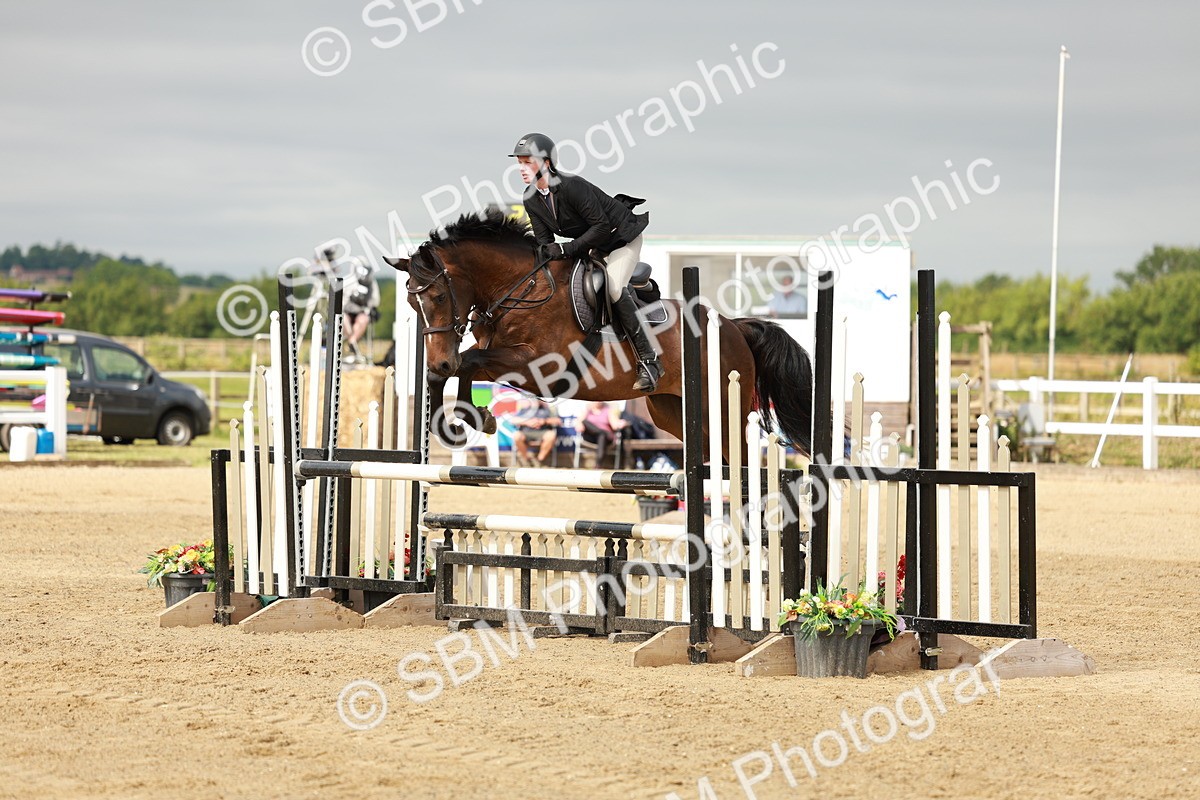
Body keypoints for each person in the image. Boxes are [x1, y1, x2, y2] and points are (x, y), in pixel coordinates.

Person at [509, 132, 662, 393]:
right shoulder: (531, 198)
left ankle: (649, 361)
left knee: (613, 288)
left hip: (620, 239)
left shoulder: (572, 186)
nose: (522, 168)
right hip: (592, 244)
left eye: (527, 162)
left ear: (545, 163)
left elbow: (601, 226)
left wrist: (567, 248)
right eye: (519, 163)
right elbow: (544, 242)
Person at [341, 257, 380, 364]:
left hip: (362, 312)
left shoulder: (372, 284)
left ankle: (351, 342)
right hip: (346, 312)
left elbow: (375, 300)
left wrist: (366, 309)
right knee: (343, 319)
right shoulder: (347, 282)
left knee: (363, 319)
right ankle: (351, 344)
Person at [512, 399, 562, 467]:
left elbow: (558, 421)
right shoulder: (525, 409)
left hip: (542, 432)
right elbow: (513, 420)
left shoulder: (547, 409)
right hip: (526, 432)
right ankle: (527, 460)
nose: (536, 400)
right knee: (517, 436)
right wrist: (527, 422)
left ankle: (539, 460)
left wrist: (544, 421)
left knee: (551, 435)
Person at [579, 401, 627, 467]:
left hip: (605, 439)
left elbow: (614, 425)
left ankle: (598, 465)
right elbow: (579, 424)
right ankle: (601, 432)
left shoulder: (608, 411)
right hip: (590, 437)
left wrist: (621, 423)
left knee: (602, 436)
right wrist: (579, 425)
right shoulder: (587, 411)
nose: (597, 402)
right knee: (584, 422)